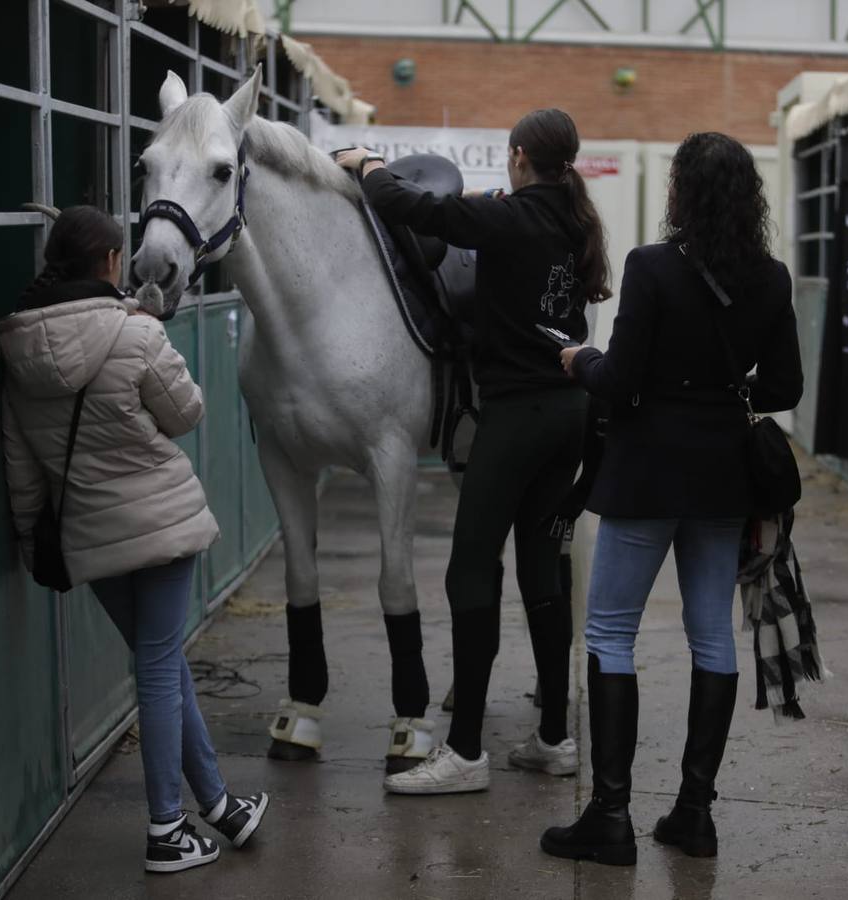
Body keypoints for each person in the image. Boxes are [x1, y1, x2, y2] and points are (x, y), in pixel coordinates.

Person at [539, 133, 803, 865]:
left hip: (648, 470)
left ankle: (610, 817)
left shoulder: (651, 266)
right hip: (722, 476)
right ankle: (694, 815)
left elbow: (620, 379)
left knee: (610, 634)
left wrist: (580, 360)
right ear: (748, 198)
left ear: (680, 192)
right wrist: (725, 395)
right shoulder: (771, 277)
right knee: (712, 638)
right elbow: (784, 388)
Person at [336, 108, 611, 795]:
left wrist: (367, 160)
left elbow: (404, 205)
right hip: (570, 416)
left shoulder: (508, 219)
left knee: (469, 570)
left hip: (516, 419)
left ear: (518, 156)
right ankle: (554, 737)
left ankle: (464, 752)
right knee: (543, 571)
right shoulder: (577, 222)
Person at [0, 206, 269, 873]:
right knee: (158, 669)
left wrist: (35, 545)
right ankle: (167, 828)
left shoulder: (20, 350)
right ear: (113, 262)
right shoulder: (133, 335)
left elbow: (21, 466)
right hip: (161, 526)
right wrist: (154, 342)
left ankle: (219, 804)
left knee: (161, 663)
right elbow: (187, 415)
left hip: (90, 534)